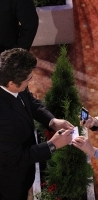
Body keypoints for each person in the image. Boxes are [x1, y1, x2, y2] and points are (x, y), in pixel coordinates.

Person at [0, 48, 74, 199]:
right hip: (10, 181)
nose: (31, 82)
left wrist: (52, 121)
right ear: (12, 83)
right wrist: (52, 145)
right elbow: (15, 158)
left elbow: (30, 101)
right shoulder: (3, 119)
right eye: (29, 80)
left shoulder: (11, 82)